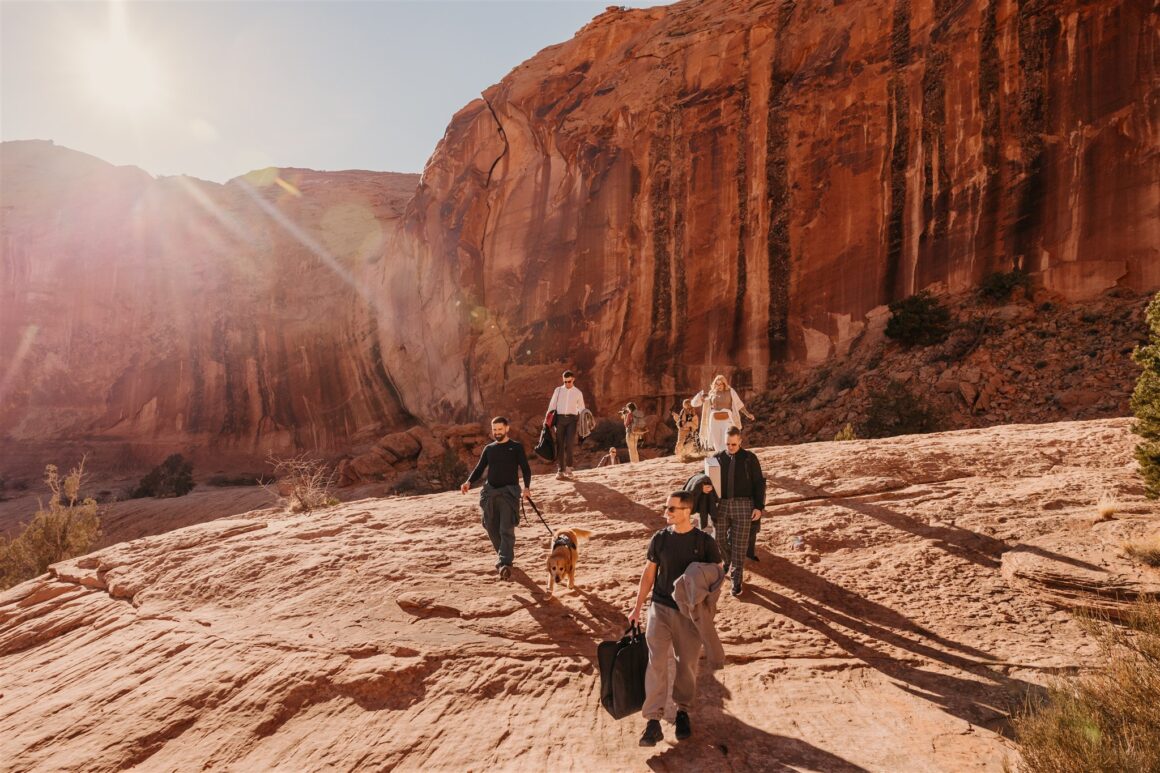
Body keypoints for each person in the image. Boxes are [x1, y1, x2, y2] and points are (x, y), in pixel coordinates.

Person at [628, 489, 723, 747]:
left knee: (687, 665)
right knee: (656, 662)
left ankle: (682, 712)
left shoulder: (704, 542)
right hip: (659, 608)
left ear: (687, 511)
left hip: (689, 615)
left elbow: (717, 574)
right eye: (666, 507)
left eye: (671, 508)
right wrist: (637, 608)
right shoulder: (659, 539)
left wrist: (706, 607)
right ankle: (653, 720)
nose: (666, 512)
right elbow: (649, 574)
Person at [460, 416, 532, 581]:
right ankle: (503, 557)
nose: (497, 433)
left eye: (500, 429)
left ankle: (504, 563)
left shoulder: (516, 447)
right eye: (494, 430)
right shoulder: (489, 449)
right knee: (490, 526)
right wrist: (468, 482)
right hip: (490, 493)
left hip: (508, 494)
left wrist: (527, 488)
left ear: (507, 428)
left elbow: (526, 469)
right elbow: (480, 468)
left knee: (506, 528)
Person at [711, 426, 765, 596]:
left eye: (734, 444)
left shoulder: (750, 458)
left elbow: (759, 483)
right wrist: (704, 486)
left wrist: (759, 507)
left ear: (740, 441)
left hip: (744, 506)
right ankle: (727, 560)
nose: (730, 447)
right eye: (727, 444)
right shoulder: (717, 458)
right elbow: (706, 476)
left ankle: (736, 580)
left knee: (740, 545)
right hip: (723, 505)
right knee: (718, 538)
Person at [690, 375, 755, 453]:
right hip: (713, 419)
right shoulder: (711, 393)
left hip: (727, 419)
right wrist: (700, 398)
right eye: (717, 384)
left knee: (728, 437)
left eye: (720, 384)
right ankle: (721, 456)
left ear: (724, 384)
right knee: (716, 440)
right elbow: (695, 404)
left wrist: (747, 414)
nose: (719, 386)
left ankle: (729, 454)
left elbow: (739, 404)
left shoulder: (731, 391)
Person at [547, 370, 585, 480]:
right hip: (559, 419)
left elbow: (581, 408)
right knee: (560, 444)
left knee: (569, 444)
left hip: (572, 420)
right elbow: (552, 405)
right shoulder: (558, 390)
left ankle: (569, 468)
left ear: (573, 379)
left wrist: (585, 420)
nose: (567, 384)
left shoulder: (578, 392)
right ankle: (560, 470)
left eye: (569, 381)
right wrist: (547, 419)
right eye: (565, 382)